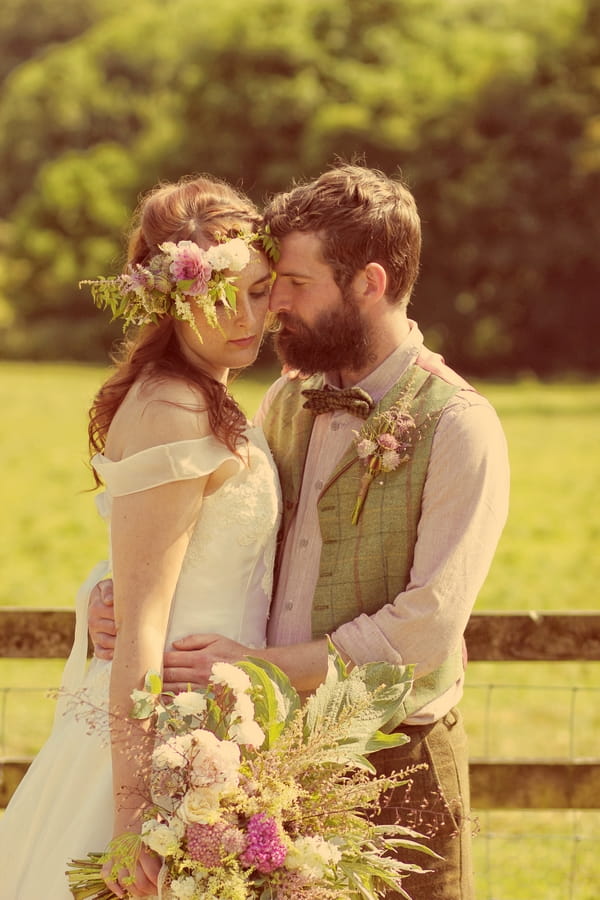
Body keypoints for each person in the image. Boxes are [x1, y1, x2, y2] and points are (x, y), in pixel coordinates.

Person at [90, 163, 510, 899]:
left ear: (369, 284)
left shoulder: (461, 427)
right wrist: (117, 596)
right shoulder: (287, 398)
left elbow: (426, 629)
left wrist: (259, 665)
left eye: (296, 284)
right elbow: (207, 519)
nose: (274, 305)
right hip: (269, 766)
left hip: (398, 764)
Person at [0, 174, 281, 898]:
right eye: (223, 295)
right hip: (165, 735)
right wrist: (131, 816)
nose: (247, 316)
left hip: (222, 724)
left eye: (259, 291)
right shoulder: (171, 409)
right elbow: (142, 624)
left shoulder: (207, 392)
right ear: (172, 296)